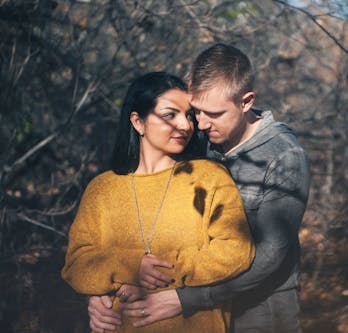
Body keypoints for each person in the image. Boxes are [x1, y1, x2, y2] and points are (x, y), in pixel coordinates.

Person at [90, 44, 310, 332]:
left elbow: (270, 254)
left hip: (258, 311)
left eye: (214, 113)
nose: (201, 124)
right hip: (196, 313)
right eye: (196, 112)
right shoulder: (199, 139)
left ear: (246, 101)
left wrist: (185, 299)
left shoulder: (284, 156)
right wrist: (102, 289)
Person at [62, 71, 255, 333]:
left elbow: (236, 250)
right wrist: (128, 269)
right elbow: (76, 264)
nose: (186, 126)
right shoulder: (102, 189)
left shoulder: (209, 177)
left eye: (189, 115)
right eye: (170, 115)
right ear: (138, 122)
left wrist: (160, 273)